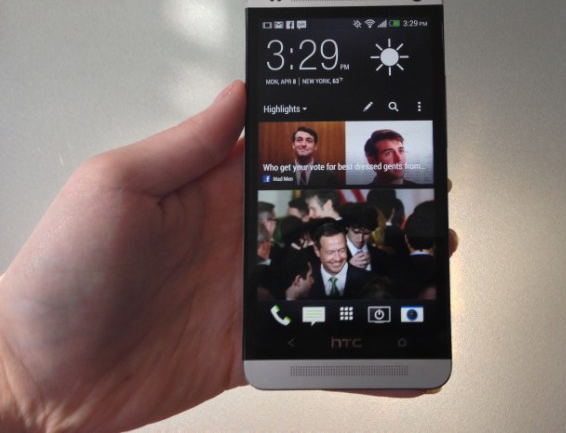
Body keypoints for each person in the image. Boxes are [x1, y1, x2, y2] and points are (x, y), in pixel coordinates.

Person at [0, 80, 458, 431]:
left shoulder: (375, 258)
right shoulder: (290, 271)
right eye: (387, 153)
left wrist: (26, 390)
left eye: (402, 149)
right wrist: (18, 375)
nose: (340, 254)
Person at [307, 222, 371, 299]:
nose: (337, 258)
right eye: (330, 252)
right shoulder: (306, 282)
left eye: (342, 250)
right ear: (317, 251)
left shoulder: (366, 281)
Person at [341, 202, 389, 276]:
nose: (360, 239)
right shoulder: (334, 254)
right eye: (356, 232)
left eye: (366, 233)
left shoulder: (381, 256)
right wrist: (348, 268)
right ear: (347, 227)